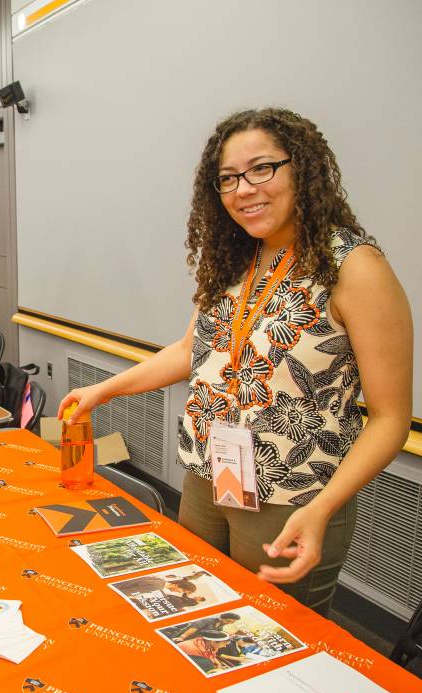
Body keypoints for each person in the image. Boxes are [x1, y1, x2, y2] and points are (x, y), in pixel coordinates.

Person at [60, 108, 412, 615]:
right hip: (209, 476)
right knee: (195, 613)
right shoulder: (236, 257)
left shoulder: (354, 267)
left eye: (262, 169)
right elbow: (189, 351)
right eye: (228, 179)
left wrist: (321, 510)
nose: (244, 189)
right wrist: (104, 390)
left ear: (303, 170)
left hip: (292, 498)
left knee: (273, 637)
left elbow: (390, 418)